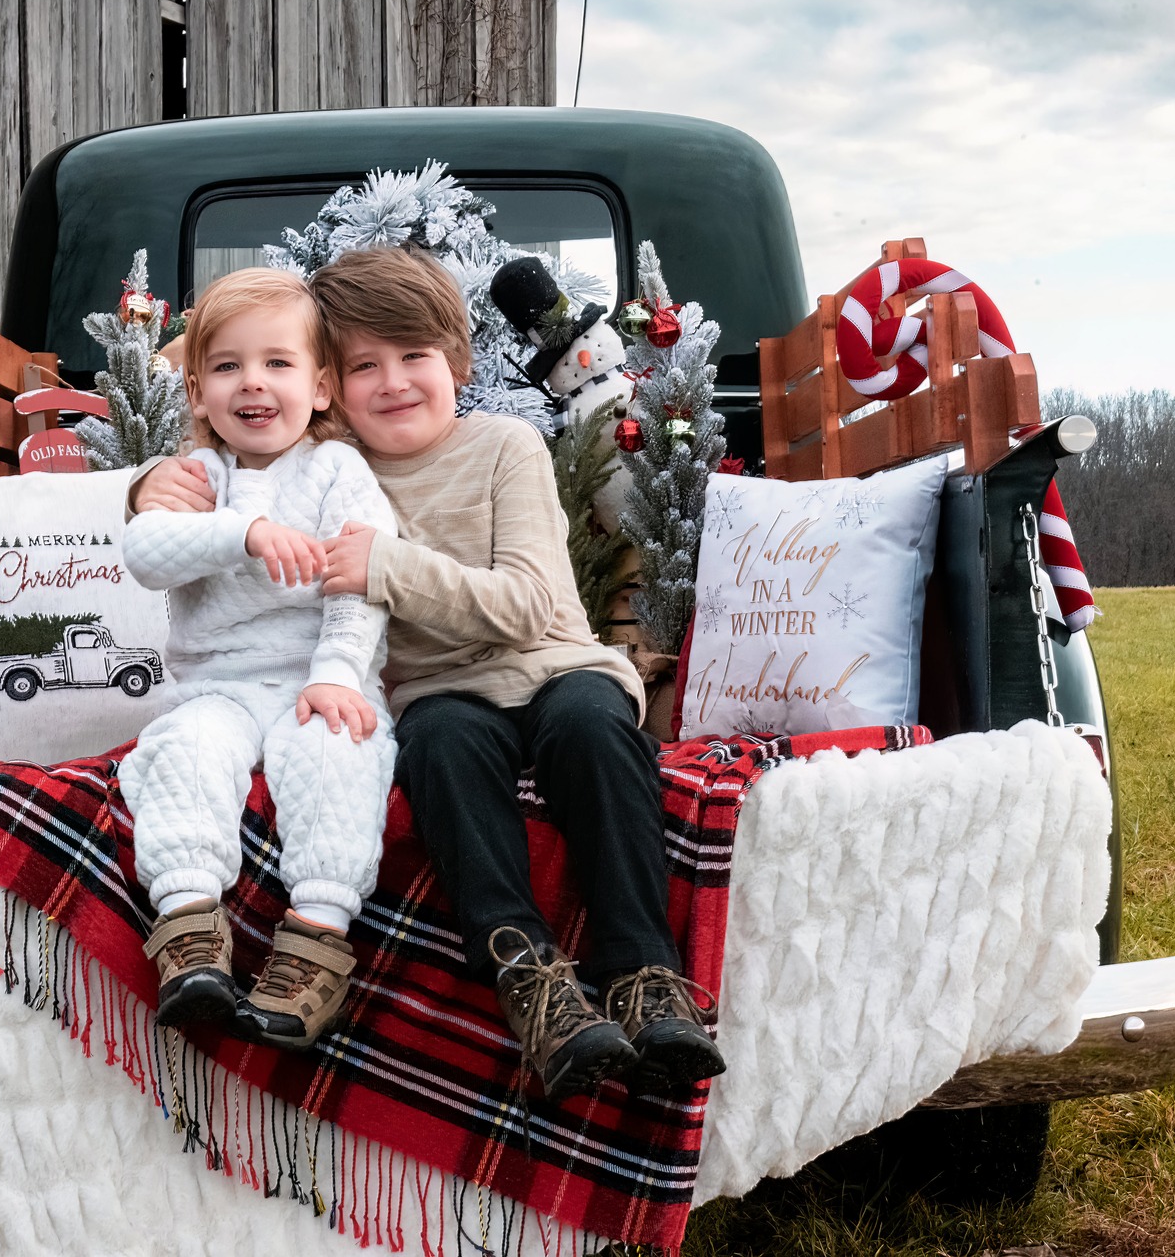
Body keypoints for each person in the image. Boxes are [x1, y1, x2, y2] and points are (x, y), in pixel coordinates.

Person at [130, 247, 724, 1100]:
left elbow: (526, 606)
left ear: (457, 361)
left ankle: (644, 975)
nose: (394, 382)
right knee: (440, 746)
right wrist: (150, 484)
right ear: (329, 383)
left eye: (415, 357)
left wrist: (384, 565)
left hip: (552, 662)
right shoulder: (335, 467)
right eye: (364, 364)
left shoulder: (504, 446)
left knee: (594, 728)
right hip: (440, 693)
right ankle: (529, 978)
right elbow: (238, 469)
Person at [119, 267, 396, 1051]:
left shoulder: (336, 471)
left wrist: (339, 672)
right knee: (185, 751)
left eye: (278, 363)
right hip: (221, 683)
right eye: (228, 366)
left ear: (319, 389)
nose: (254, 383)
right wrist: (242, 531)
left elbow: (361, 579)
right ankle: (189, 931)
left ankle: (314, 941)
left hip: (316, 675)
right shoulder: (202, 477)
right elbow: (146, 552)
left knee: (337, 753)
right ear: (200, 394)